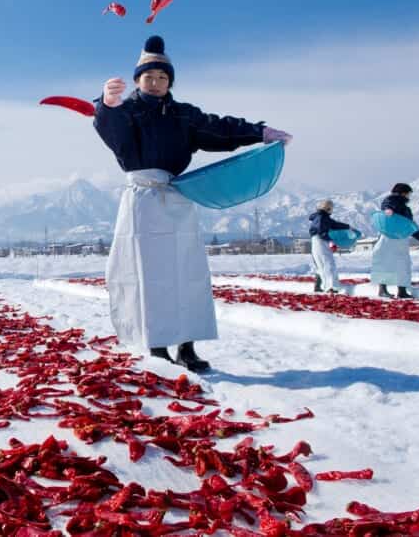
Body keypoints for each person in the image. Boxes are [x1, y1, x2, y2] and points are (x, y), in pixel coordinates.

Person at [94, 35, 292, 373]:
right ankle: (157, 346)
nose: (155, 83)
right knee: (149, 275)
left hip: (177, 196)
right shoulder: (127, 112)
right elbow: (112, 133)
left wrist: (259, 132)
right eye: (148, 77)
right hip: (142, 200)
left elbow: (219, 129)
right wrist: (106, 106)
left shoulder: (184, 115)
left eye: (162, 78)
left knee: (187, 273)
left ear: (170, 81)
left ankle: (187, 346)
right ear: (138, 80)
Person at [370, 182, 419, 298]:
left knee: (403, 264)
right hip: (387, 237)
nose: (409, 197)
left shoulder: (406, 210)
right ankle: (382, 289)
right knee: (385, 262)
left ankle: (402, 291)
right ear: (402, 193)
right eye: (408, 194)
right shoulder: (391, 200)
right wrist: (388, 210)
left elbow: (410, 226)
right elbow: (387, 206)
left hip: (401, 239)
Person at [308, 199, 351, 293]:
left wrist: (348, 226)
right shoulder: (321, 218)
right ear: (328, 208)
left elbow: (334, 224)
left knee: (322, 264)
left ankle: (319, 286)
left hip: (318, 241)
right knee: (328, 264)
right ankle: (330, 287)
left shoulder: (322, 217)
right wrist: (330, 241)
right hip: (320, 241)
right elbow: (321, 232)